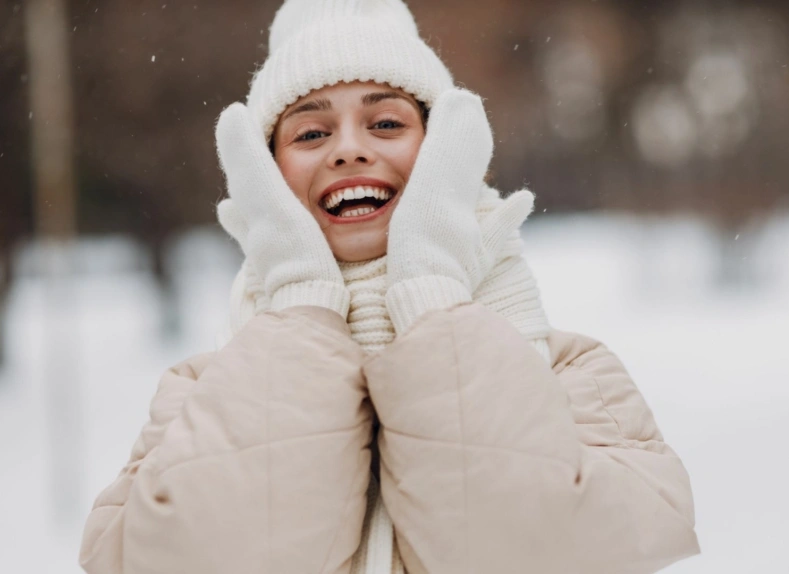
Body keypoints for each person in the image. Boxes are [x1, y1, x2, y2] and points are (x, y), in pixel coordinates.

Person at [78, 1, 700, 572]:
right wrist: (300, 302)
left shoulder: (573, 375)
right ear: (264, 177)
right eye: (311, 133)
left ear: (445, 152)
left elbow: (535, 553)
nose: (348, 150)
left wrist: (431, 291)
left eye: (384, 122)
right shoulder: (199, 394)